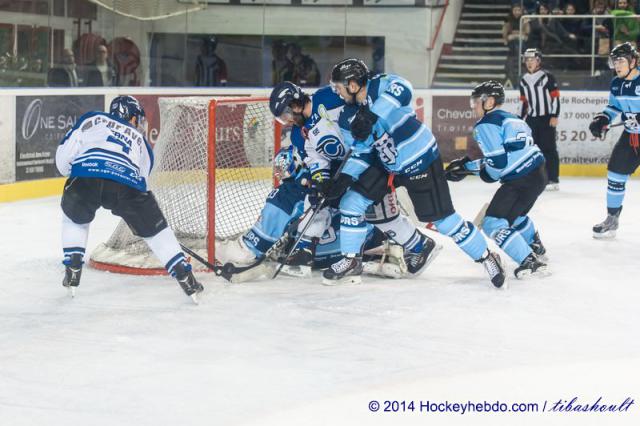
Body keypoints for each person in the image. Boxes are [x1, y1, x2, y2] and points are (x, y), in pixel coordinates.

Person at [323, 59, 505, 287]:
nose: (337, 93)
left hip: (419, 158)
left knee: (444, 221)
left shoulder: (379, 85)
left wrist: (373, 115)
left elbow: (404, 88)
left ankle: (488, 257)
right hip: (386, 164)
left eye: (339, 88)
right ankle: (351, 260)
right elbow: (361, 152)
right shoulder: (347, 117)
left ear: (352, 84)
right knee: (351, 202)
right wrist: (344, 178)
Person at [55, 96, 204, 302]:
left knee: (75, 217)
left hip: (86, 173)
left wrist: (78, 175)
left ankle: (72, 265)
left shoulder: (93, 118)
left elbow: (63, 159)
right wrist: (143, 217)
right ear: (132, 117)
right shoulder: (141, 141)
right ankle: (185, 277)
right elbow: (142, 181)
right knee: (157, 232)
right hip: (126, 182)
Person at [217, 145, 417, 281]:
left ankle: (303, 253)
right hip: (364, 241)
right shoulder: (332, 182)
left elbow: (251, 249)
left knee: (276, 246)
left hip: (318, 259)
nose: (281, 173)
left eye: (283, 168)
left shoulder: (286, 194)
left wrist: (226, 251)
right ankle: (385, 251)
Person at [446, 81, 548, 279]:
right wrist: (468, 167)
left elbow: (497, 165)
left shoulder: (485, 124)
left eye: (476, 102)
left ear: (490, 101)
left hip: (520, 180)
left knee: (493, 222)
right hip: (539, 174)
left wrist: (479, 172)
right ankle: (535, 245)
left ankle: (529, 260)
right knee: (515, 216)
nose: (473, 106)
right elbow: (507, 155)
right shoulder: (513, 118)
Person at [589, 42, 640, 239]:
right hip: (631, 137)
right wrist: (602, 118)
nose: (616, 65)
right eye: (614, 61)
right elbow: (614, 107)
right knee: (615, 175)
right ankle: (612, 219)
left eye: (620, 60)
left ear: (633, 61)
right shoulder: (616, 83)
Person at [519, 48, 561, 190]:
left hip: (546, 118)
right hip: (531, 119)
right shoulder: (523, 80)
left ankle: (553, 179)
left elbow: (555, 98)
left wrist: (554, 115)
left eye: (532, 59)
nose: (529, 62)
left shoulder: (547, 77)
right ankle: (536, 178)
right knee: (532, 150)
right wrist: (519, 119)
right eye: (527, 60)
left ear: (538, 61)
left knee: (549, 149)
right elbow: (523, 102)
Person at [503, 4, 530, 85]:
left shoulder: (524, 19)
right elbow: (505, 34)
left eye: (519, 10)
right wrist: (516, 34)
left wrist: (515, 34)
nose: (517, 12)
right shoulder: (508, 20)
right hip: (511, 41)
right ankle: (518, 61)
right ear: (512, 11)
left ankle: (519, 61)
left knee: (518, 43)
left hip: (522, 40)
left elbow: (527, 32)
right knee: (514, 43)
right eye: (515, 10)